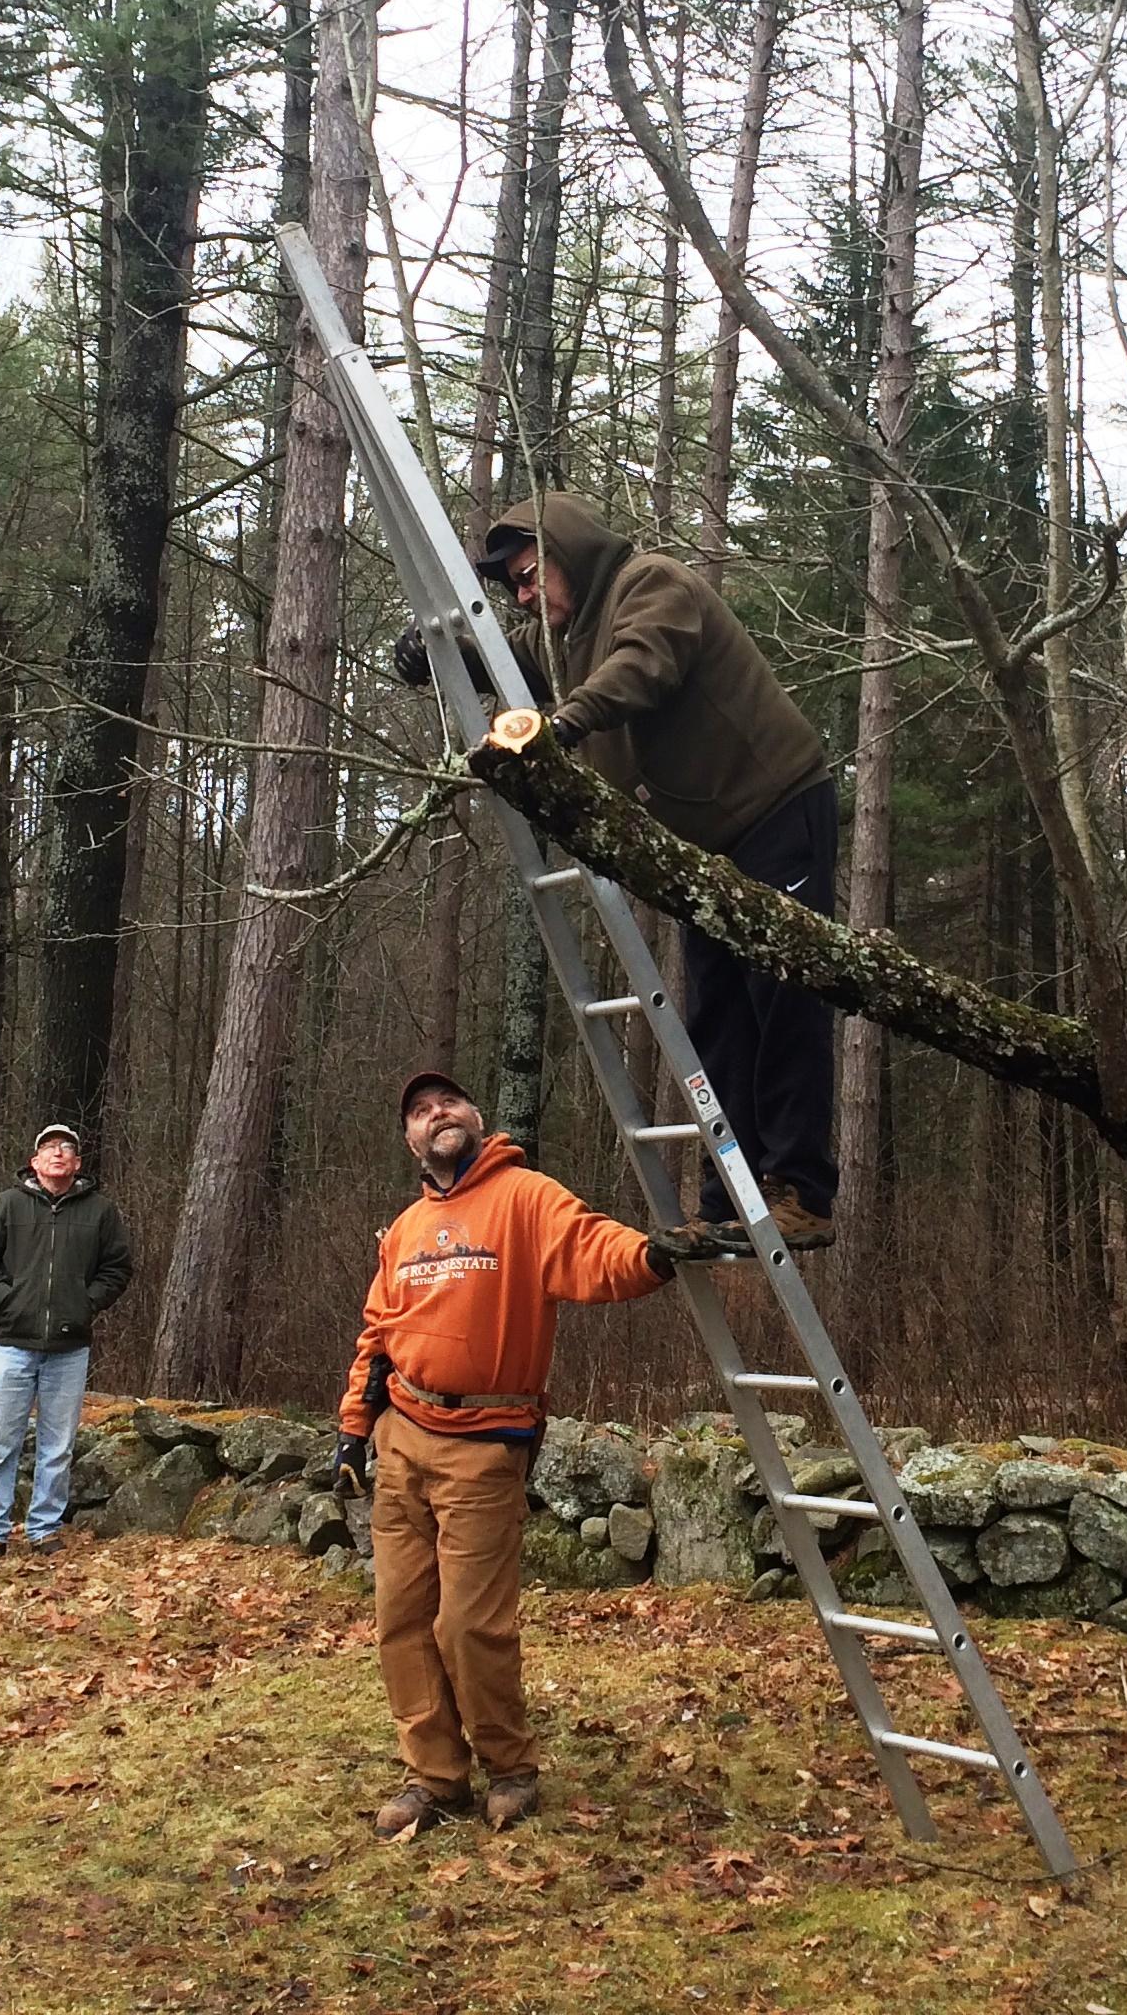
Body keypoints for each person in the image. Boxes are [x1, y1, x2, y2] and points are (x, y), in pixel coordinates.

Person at [422, 492, 840, 1253]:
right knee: (717, 1019)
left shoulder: (651, 583)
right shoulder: (572, 636)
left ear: (566, 550)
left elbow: (643, 666)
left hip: (774, 806)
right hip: (706, 846)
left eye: (527, 575)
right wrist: (445, 653)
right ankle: (731, 1200)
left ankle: (802, 1193)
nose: (522, 595)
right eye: (511, 588)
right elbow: (529, 667)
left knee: (783, 1002)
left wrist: (565, 726)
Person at [336, 1067, 712, 1839]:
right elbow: (377, 1335)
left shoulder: (527, 1197)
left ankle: (509, 1766)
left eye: (448, 1101)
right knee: (402, 1621)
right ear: (410, 1140)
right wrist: (353, 1426)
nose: (436, 1112)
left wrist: (655, 1254)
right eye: (419, 1110)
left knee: (469, 1626)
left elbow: (594, 1249)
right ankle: (434, 1777)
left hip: (486, 1445)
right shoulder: (405, 1229)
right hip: (402, 1437)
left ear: (476, 1117)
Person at [0, 1123, 133, 1560]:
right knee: (1, 1442)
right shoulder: (6, 1206)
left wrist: (85, 1304)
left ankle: (44, 1529)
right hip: (13, 1342)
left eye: (67, 1148)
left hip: (69, 1347)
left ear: (77, 1163)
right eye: (49, 1148)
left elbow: (117, 1268)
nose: (58, 1154)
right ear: (34, 1161)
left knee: (58, 1445)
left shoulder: (100, 1212)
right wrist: (7, 1300)